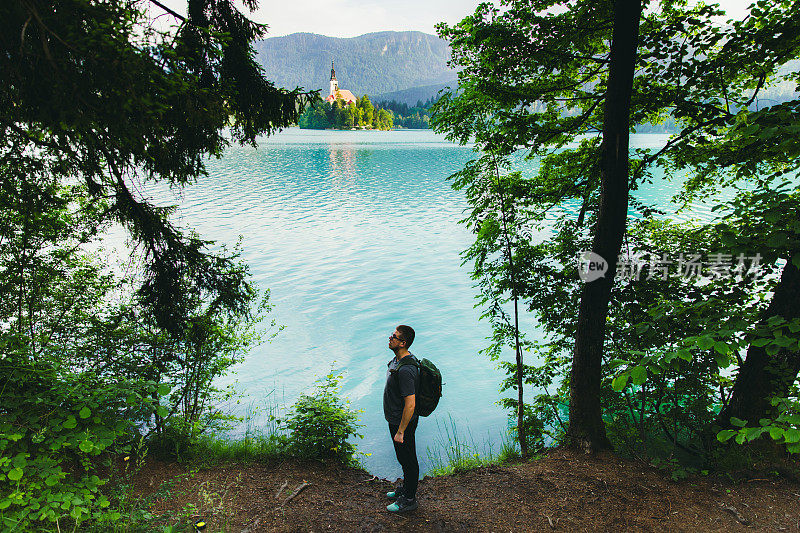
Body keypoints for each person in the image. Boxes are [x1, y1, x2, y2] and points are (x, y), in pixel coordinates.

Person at [383, 324, 420, 513]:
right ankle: (405, 490)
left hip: (402, 423)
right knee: (402, 457)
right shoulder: (398, 361)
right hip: (395, 420)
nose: (390, 338)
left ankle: (409, 499)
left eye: (394, 336)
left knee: (408, 459)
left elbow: (411, 404)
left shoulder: (406, 369)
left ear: (403, 343)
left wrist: (401, 430)